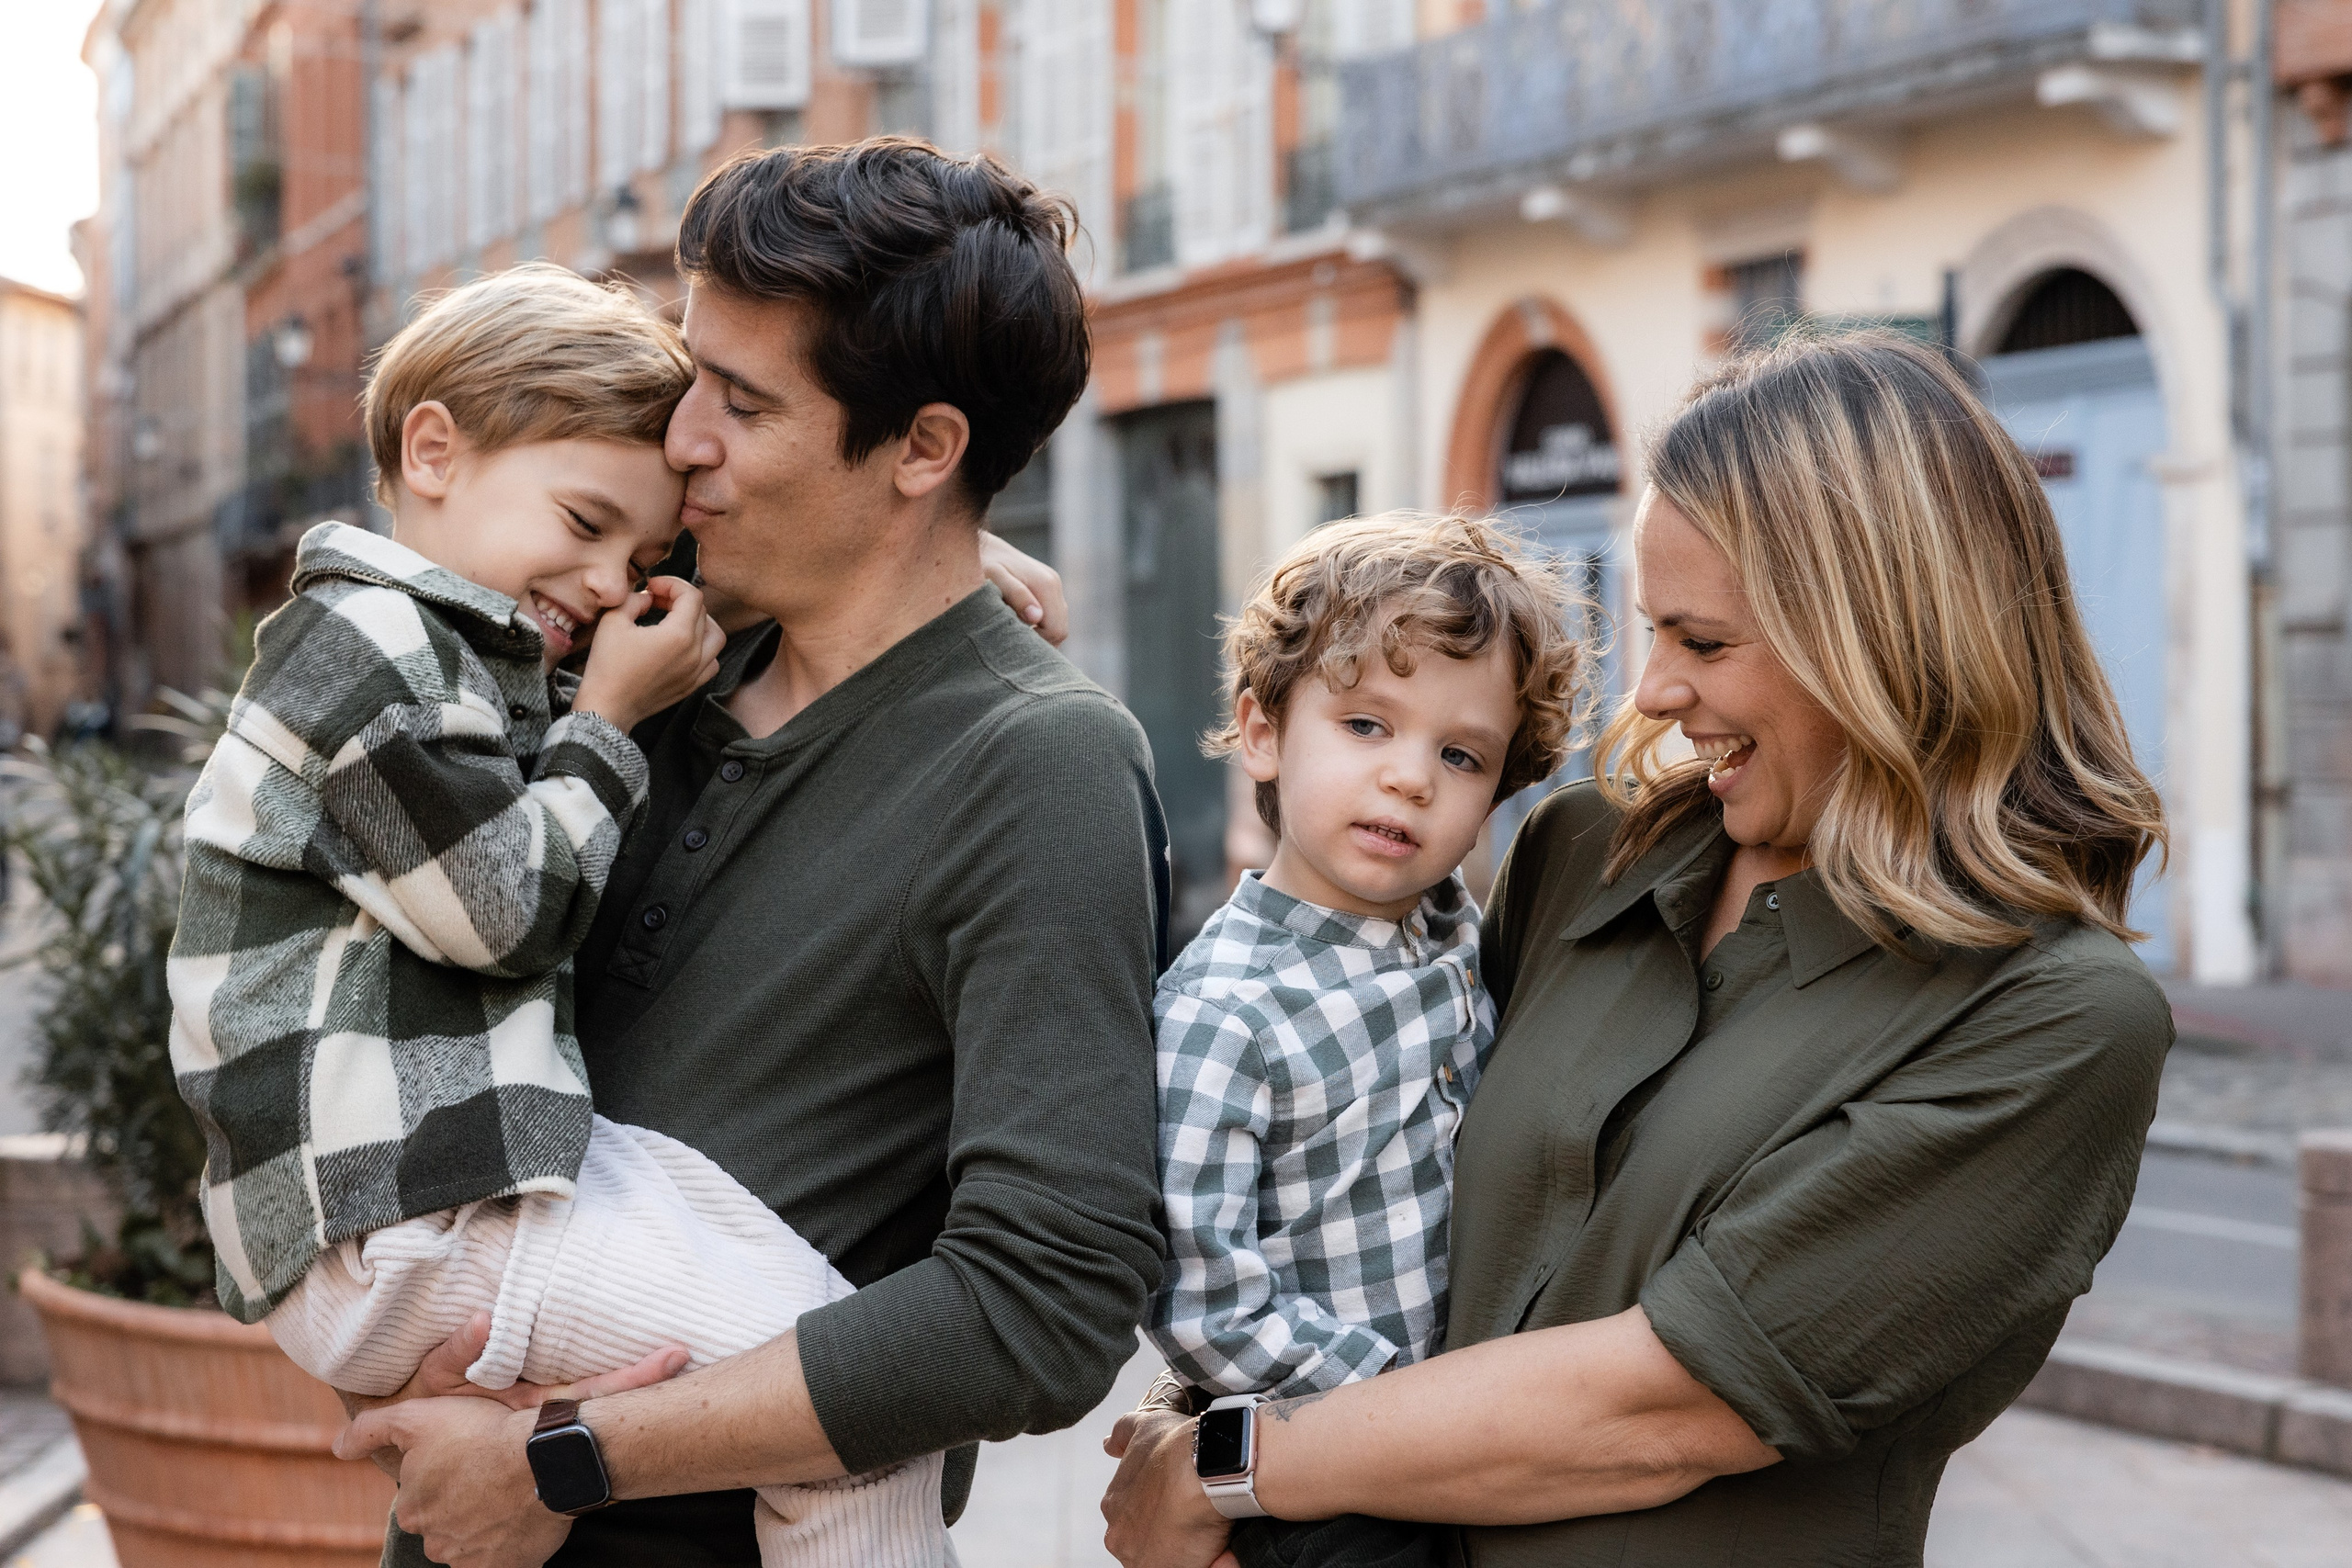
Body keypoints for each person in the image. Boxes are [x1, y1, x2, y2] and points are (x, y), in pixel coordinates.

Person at [1100, 330, 2175, 1568]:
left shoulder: (2054, 1015)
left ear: (1882, 640)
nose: (1653, 688)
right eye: (1652, 626)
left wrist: (1236, 1467)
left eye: (1704, 642)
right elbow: (1352, 1171)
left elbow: (1660, 1409)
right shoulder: (1589, 849)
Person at [336, 138, 1169, 1568]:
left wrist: (570, 1459)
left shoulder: (1042, 762)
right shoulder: (636, 649)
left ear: (923, 448)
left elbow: (1046, 1295)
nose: (681, 440)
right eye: (686, 372)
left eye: (741, 401)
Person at [169, 264, 1056, 1567]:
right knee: (863, 1403)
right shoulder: (368, 652)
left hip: (461, 1183)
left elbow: (725, 555)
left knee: (842, 1347)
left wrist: (942, 545)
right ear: (432, 449)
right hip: (413, 1217)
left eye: (634, 555)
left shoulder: (458, 630)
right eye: (585, 525)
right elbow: (504, 908)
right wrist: (610, 720)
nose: (602, 584)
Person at [1144, 514, 1581, 1568]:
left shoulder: (1459, 939)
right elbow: (1200, 1297)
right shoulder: (1221, 1010)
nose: (1411, 778)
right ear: (1261, 730)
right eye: (1366, 726)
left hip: (1469, 1453)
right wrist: (1400, 1406)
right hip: (1322, 1490)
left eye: (1460, 753)